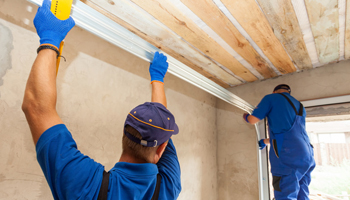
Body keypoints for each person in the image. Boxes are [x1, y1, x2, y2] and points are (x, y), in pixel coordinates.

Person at [22, 0, 181, 199]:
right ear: (162, 149)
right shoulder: (169, 184)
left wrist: (50, 37)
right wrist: (157, 78)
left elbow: (38, 108)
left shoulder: (88, 187)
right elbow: (35, 107)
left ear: (124, 134)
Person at [243, 84, 315, 200]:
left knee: (285, 194)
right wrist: (265, 141)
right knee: (302, 195)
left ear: (274, 91)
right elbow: (289, 134)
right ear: (288, 93)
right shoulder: (300, 106)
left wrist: (246, 116)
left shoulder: (271, 98)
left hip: (288, 158)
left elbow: (252, 120)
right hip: (307, 155)